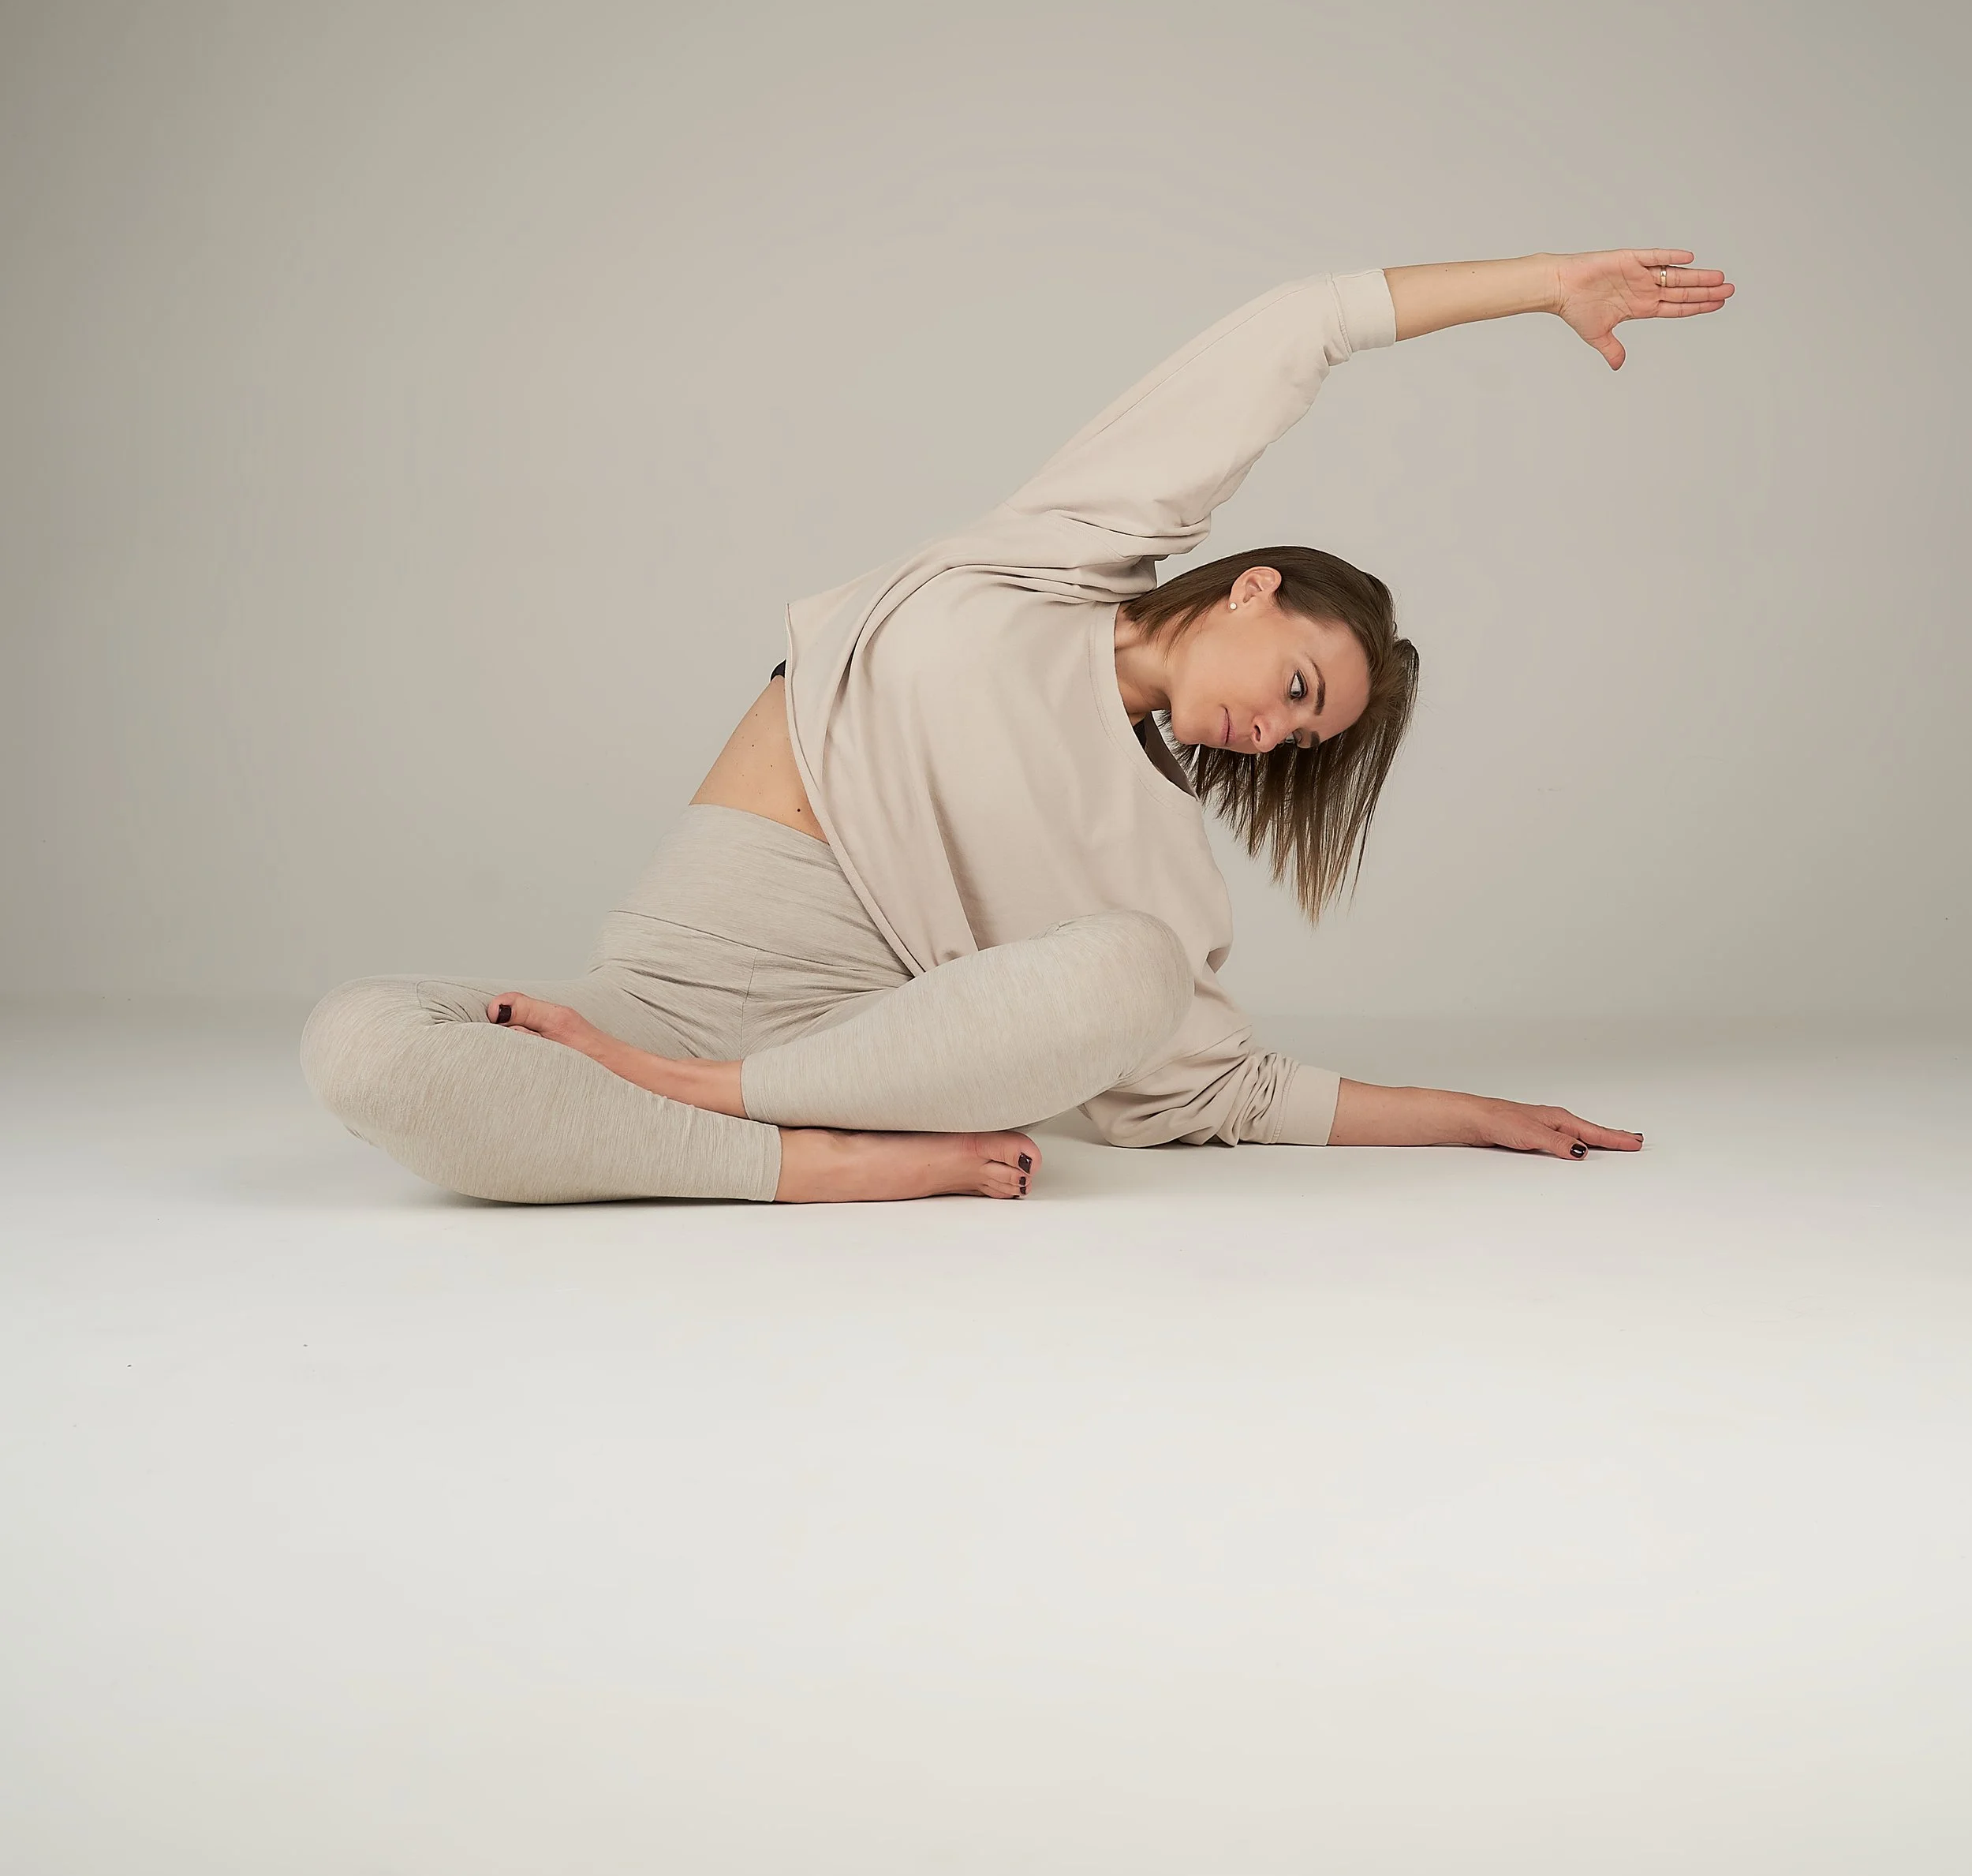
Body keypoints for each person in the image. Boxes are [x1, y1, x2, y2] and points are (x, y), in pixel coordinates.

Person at [301, 246, 1732, 1205]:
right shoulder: (1062, 548)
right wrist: (1550, 282)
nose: (1274, 732)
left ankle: (720, 1117)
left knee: (1138, 968)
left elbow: (1232, 1087)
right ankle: (819, 1169)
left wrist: (1478, 1116)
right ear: (1252, 589)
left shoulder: (1157, 849)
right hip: (662, 990)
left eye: (1306, 742)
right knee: (361, 1048)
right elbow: (1293, 333)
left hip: (879, 1044)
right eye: (1300, 684)